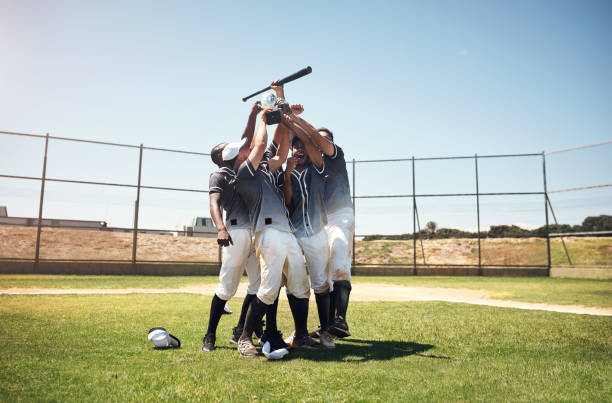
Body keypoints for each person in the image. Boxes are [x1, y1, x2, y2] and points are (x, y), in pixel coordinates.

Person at [232, 82, 314, 357]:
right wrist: (263, 119)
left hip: (286, 232)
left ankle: (300, 335)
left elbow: (282, 147)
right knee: (267, 288)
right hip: (268, 232)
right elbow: (261, 143)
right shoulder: (244, 173)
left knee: (301, 286)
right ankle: (244, 338)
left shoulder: (266, 169)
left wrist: (284, 106)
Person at [279, 117, 354, 338]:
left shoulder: (333, 157)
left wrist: (291, 118)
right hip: (319, 222)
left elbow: (312, 139)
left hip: (339, 215)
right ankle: (327, 327)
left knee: (339, 262)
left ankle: (339, 319)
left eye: (324, 140)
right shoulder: (307, 166)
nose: (319, 143)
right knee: (323, 276)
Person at [201, 101, 264, 352]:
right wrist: (220, 228)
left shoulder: (241, 167)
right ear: (220, 157)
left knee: (258, 285)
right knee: (227, 287)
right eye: (227, 148)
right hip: (235, 231)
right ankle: (209, 336)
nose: (239, 148)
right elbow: (214, 203)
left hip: (256, 231)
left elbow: (246, 140)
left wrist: (252, 114)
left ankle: (241, 331)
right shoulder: (219, 175)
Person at [278, 107, 335, 349]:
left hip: (317, 233)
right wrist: (288, 174)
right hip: (294, 234)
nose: (299, 149)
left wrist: (292, 117)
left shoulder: (319, 170)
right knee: (295, 283)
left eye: (303, 146)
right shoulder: (285, 174)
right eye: (295, 146)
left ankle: (325, 332)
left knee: (322, 283)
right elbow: (289, 202)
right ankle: (300, 332)